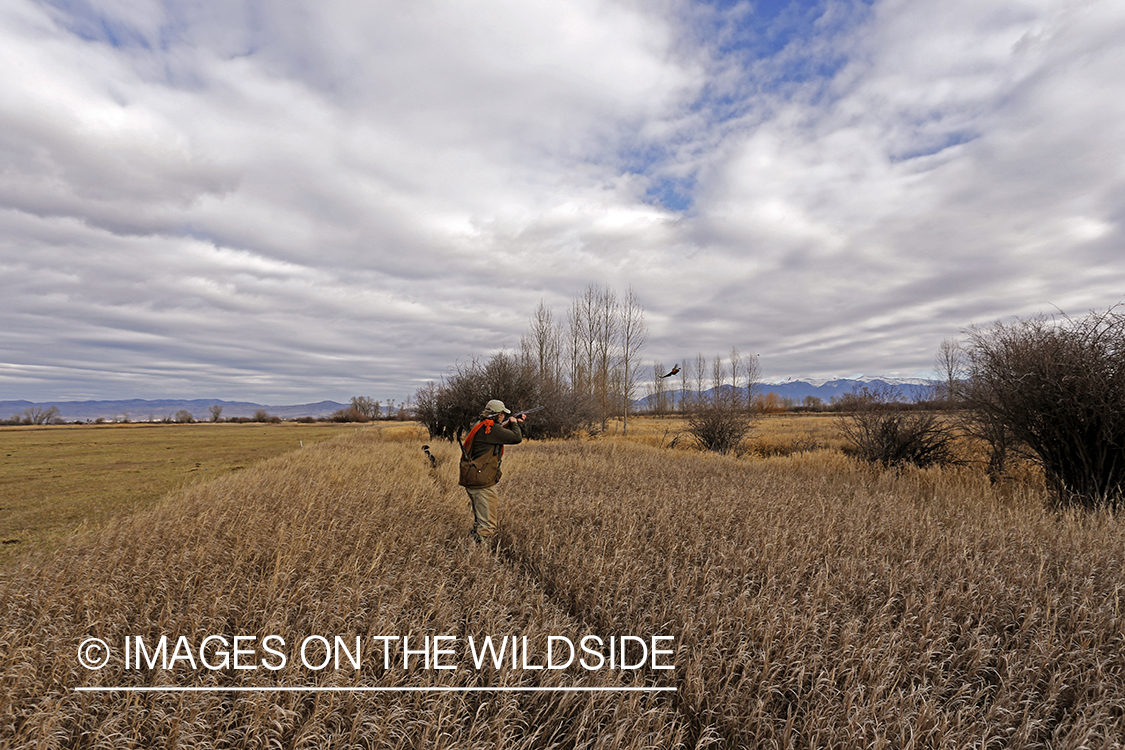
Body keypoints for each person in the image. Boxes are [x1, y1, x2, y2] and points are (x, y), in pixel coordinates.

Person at [459, 399, 525, 545]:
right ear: (498, 415)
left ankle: (473, 546)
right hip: (482, 482)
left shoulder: (481, 425)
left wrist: (510, 423)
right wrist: (513, 422)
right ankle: (480, 556)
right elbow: (516, 438)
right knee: (487, 525)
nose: (503, 416)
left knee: (480, 520)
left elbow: (499, 431)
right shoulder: (491, 429)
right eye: (502, 414)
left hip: (475, 478)